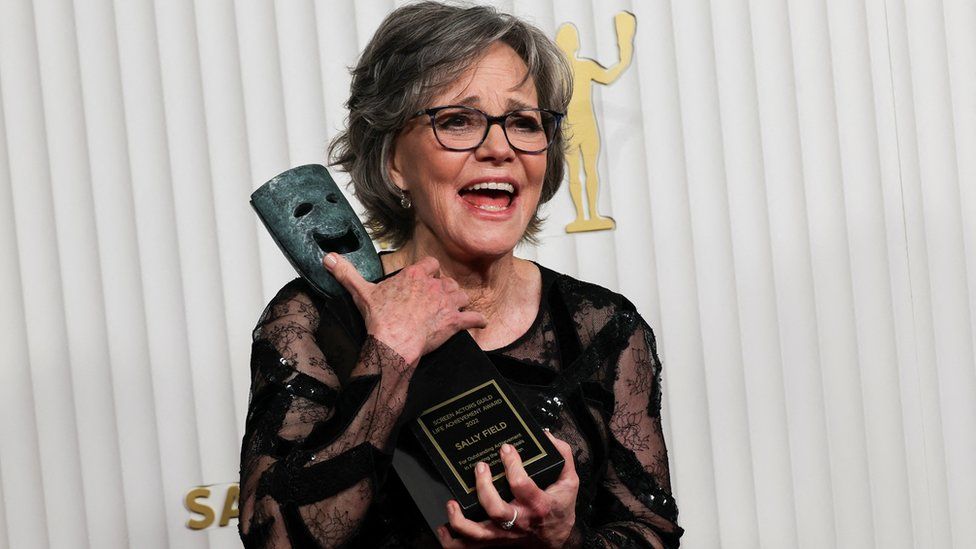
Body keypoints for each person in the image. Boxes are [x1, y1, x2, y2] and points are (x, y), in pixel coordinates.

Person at [239, 2, 682, 547]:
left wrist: (562, 542)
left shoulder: (602, 327)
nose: (499, 148)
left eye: (524, 122)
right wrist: (390, 349)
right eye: (457, 120)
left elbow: (651, 532)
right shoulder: (315, 319)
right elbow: (273, 537)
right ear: (394, 160)